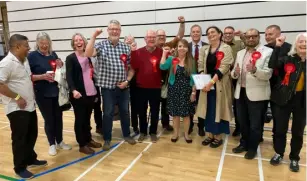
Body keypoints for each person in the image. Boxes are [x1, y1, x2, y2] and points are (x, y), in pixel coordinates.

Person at [0, 34, 47, 179]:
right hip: (16, 108)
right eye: (26, 46)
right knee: (20, 138)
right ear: (17, 46)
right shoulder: (6, 63)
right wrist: (17, 97)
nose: (29, 48)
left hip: (29, 106)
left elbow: (26, 78)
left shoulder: (24, 60)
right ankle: (19, 167)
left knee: (32, 134)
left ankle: (30, 159)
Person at [85, 20, 136, 151]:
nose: (114, 31)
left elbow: (131, 68)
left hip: (124, 88)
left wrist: (127, 81)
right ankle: (107, 139)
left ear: (120, 31)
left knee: (125, 112)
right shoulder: (101, 45)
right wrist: (93, 36)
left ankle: (127, 135)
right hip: (107, 88)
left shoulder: (126, 47)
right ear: (108, 30)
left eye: (117, 29)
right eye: (112, 29)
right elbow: (88, 54)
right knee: (107, 113)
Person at [231, 29, 273, 159]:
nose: (251, 39)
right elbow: (233, 73)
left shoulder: (267, 52)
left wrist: (255, 70)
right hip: (240, 92)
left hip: (257, 94)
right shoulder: (240, 53)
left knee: (255, 124)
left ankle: (252, 148)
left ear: (258, 37)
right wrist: (235, 73)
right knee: (242, 122)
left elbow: (268, 74)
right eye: (248, 37)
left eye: (254, 36)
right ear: (245, 38)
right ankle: (243, 143)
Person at [27, 32, 71, 156]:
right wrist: (42, 77)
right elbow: (28, 76)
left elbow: (58, 71)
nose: (45, 46)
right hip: (42, 93)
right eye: (42, 43)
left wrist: (60, 66)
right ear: (37, 43)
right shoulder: (32, 56)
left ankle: (60, 141)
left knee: (58, 118)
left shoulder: (53, 54)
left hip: (55, 92)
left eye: (47, 43)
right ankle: (51, 144)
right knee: (49, 119)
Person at [268, 33, 306, 172]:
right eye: (301, 41)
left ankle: (294, 158)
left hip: (302, 101)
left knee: (298, 131)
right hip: (283, 98)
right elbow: (272, 64)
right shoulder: (288, 58)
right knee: (280, 129)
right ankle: (278, 153)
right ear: (296, 44)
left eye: (306, 42)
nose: (303, 44)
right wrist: (277, 46)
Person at [196, 26, 234, 148]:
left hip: (219, 84)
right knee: (208, 111)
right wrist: (203, 80)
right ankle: (210, 135)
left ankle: (218, 136)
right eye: (208, 33)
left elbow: (224, 67)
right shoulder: (204, 49)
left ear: (219, 34)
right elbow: (200, 65)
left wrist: (211, 82)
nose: (210, 34)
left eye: (213, 32)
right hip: (206, 85)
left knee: (219, 110)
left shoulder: (226, 48)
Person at [66, 33, 102, 154]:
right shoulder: (70, 58)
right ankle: (82, 144)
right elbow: (69, 77)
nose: (78, 42)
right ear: (73, 43)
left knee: (87, 118)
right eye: (76, 40)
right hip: (79, 94)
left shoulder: (88, 56)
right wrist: (73, 90)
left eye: (80, 40)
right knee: (80, 119)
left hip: (91, 92)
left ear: (84, 42)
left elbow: (92, 74)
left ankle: (88, 139)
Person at [160, 39, 197, 143]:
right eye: (180, 46)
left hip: (187, 91)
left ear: (187, 49)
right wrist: (164, 53)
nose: (182, 48)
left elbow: (194, 77)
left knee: (186, 115)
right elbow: (162, 66)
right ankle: (175, 133)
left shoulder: (191, 61)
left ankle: (186, 134)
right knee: (175, 115)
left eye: (184, 46)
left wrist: (193, 92)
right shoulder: (172, 59)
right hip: (174, 90)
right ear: (177, 48)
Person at [130, 30, 163, 143]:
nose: (151, 39)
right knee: (141, 111)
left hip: (156, 87)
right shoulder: (138, 52)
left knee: (154, 111)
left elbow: (164, 68)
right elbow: (134, 66)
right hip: (141, 88)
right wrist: (133, 52)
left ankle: (153, 132)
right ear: (145, 39)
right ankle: (143, 132)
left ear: (156, 39)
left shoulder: (161, 52)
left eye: (153, 37)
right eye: (149, 37)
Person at [188, 24, 208, 136]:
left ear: (201, 33)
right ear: (190, 34)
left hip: (202, 77)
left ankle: (201, 126)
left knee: (202, 103)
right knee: (189, 103)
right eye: (193, 31)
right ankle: (190, 125)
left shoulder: (207, 46)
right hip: (189, 78)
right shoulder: (186, 46)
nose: (195, 33)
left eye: (197, 31)